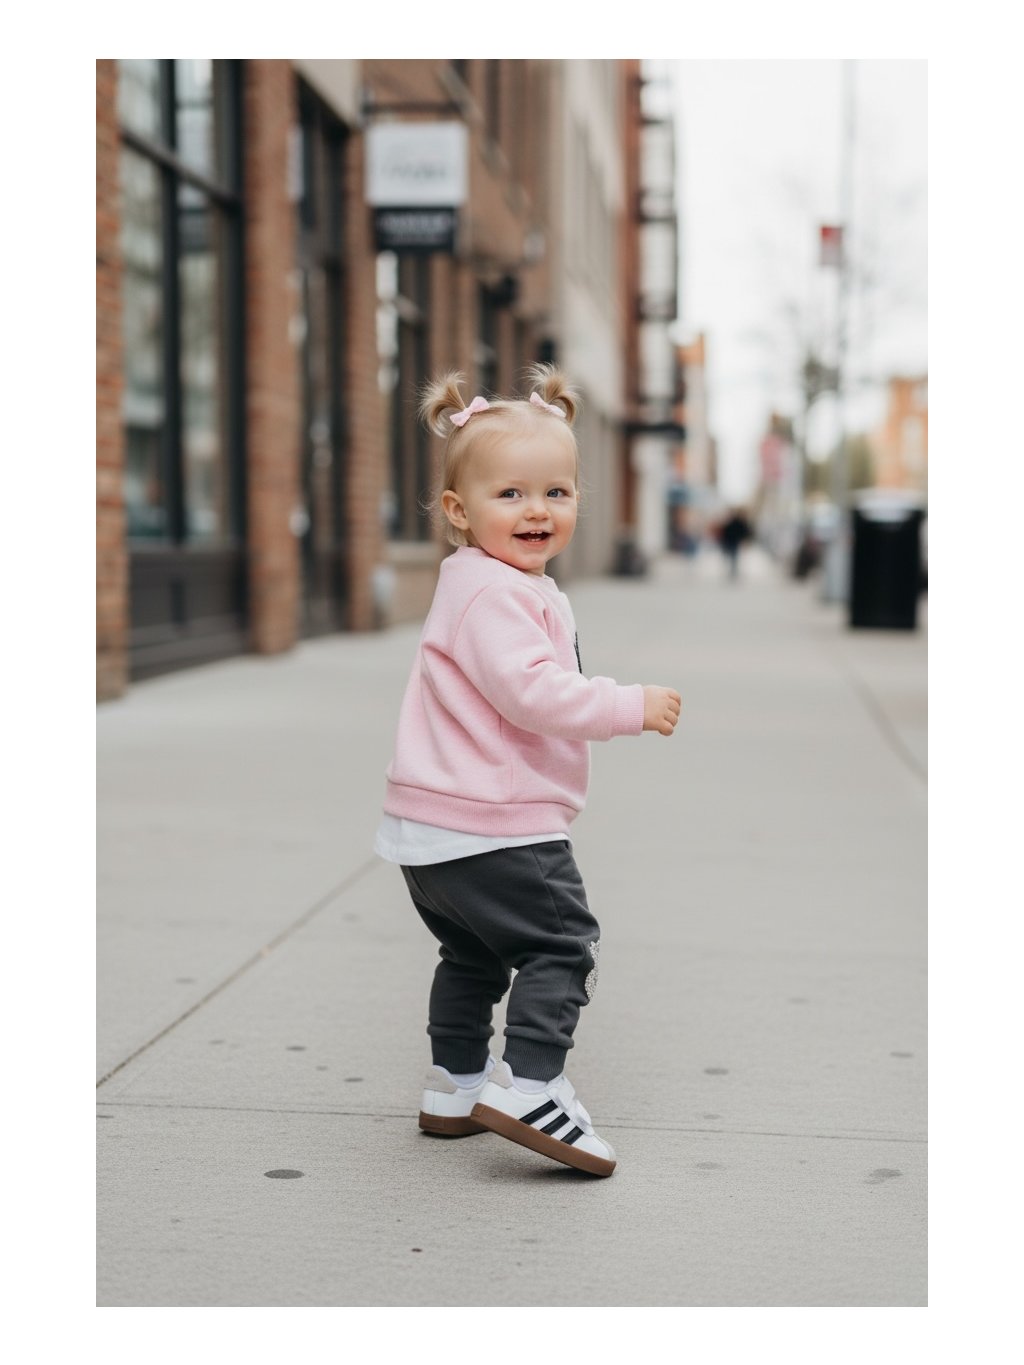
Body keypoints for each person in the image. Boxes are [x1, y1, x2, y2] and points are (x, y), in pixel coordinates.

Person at [374, 365, 681, 1179]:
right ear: (458, 510)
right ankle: (533, 1086)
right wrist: (627, 703)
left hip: (436, 830)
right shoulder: (497, 593)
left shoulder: (487, 581)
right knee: (562, 941)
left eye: (556, 491)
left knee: (474, 956)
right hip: (493, 822)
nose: (537, 509)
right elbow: (533, 692)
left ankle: (456, 1084)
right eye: (510, 493)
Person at [718, 508, 753, 581]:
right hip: (733, 542)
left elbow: (744, 532)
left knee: (732, 556)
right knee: (733, 556)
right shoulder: (737, 523)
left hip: (732, 542)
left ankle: (733, 570)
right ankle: (733, 570)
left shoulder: (732, 523)